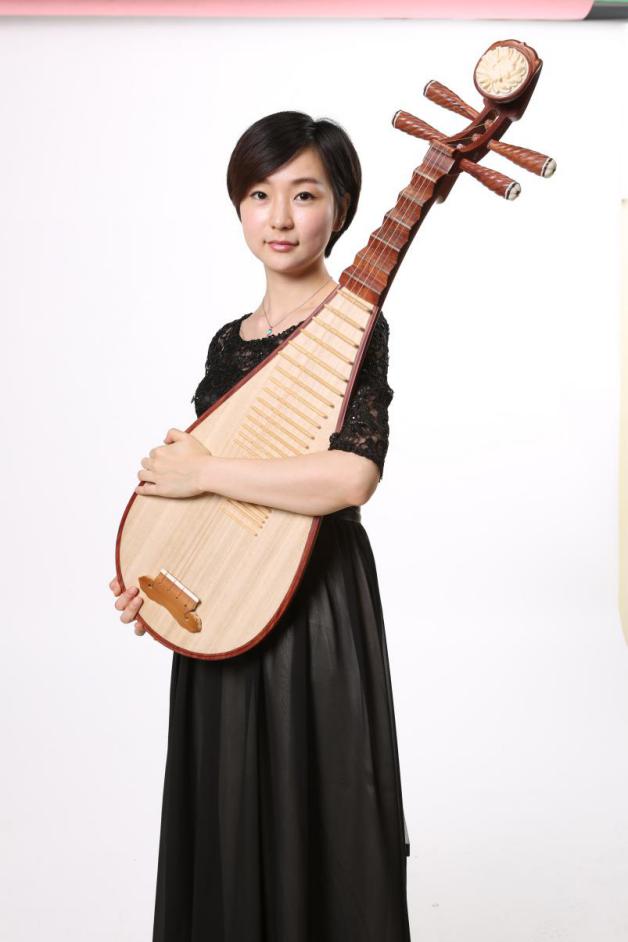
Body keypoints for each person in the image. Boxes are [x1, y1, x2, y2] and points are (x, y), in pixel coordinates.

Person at [109, 110, 411, 941]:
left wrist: (204, 473)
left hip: (315, 599)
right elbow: (196, 484)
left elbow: (351, 476)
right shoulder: (227, 342)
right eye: (259, 194)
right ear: (239, 207)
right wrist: (152, 577)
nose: (280, 217)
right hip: (223, 595)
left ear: (341, 208)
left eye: (304, 195)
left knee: (323, 800)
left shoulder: (357, 326)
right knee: (228, 804)